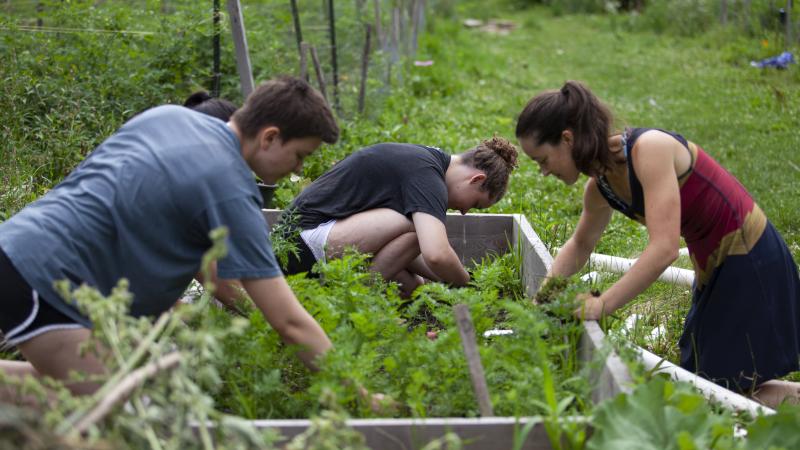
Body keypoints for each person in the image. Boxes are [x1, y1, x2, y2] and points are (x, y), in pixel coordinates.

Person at [0, 76, 339, 397]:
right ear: (269, 137)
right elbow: (289, 322)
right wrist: (357, 393)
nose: (298, 169)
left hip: (16, 245)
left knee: (102, 392)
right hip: (45, 281)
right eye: (300, 155)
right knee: (115, 413)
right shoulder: (230, 189)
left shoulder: (168, 117)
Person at [515, 80, 800, 407]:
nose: (543, 172)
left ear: (567, 139)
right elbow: (580, 244)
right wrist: (540, 302)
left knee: (720, 394)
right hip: (715, 267)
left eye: (542, 160)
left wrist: (602, 304)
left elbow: (664, 248)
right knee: (705, 388)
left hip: (750, 260)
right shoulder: (599, 188)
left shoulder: (648, 149)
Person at [280, 138, 518, 296]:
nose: (465, 211)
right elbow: (436, 254)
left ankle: (350, 295)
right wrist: (470, 285)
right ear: (477, 179)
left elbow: (414, 253)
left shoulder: (428, 163)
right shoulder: (428, 177)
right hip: (301, 243)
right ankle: (351, 300)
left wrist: (446, 282)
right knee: (419, 230)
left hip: (314, 240)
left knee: (412, 287)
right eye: (475, 203)